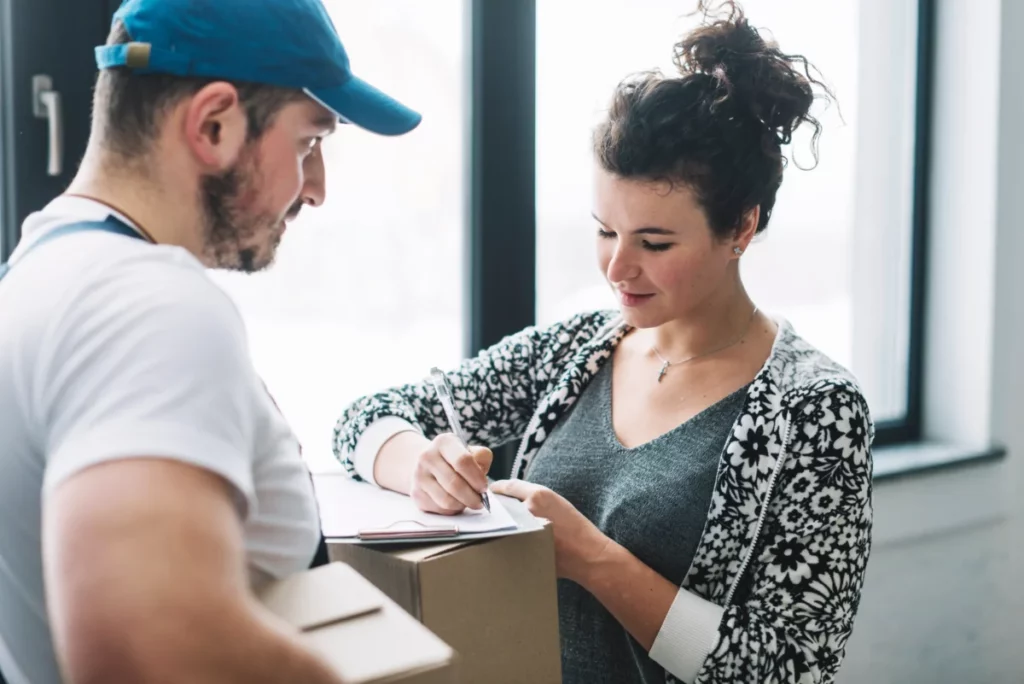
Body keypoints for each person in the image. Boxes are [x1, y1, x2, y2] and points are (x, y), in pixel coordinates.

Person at [333, 3, 874, 683]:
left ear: (741, 225)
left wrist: (590, 558)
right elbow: (364, 418)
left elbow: (793, 668)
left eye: (653, 242)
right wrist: (419, 464)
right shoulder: (577, 351)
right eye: (603, 231)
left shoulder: (815, 410)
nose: (617, 268)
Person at [0, 0, 423, 682]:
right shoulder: (147, 304)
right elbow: (144, 641)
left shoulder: (37, 275)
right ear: (214, 124)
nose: (314, 190)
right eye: (310, 143)